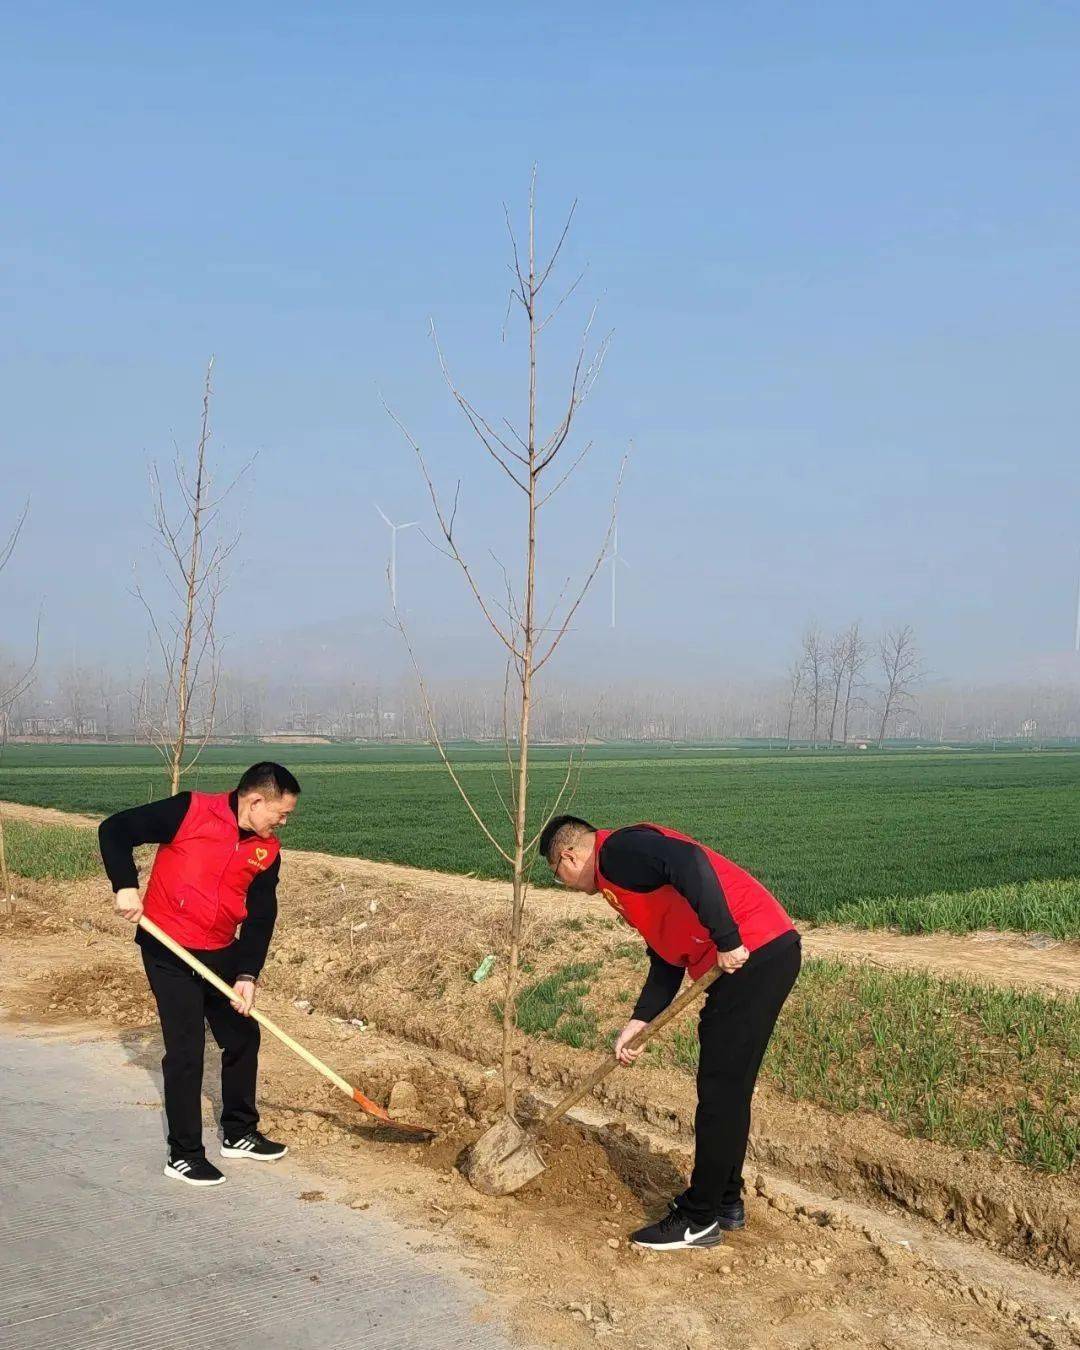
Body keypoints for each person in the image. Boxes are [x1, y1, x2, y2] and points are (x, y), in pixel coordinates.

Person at [538, 815, 800, 1251]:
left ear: (568, 855)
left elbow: (691, 861)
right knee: (728, 1091)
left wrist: (727, 936)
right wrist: (640, 1020)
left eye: (557, 874)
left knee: (719, 1092)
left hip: (752, 952)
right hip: (763, 954)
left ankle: (698, 1219)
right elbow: (665, 957)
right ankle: (726, 1201)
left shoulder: (618, 851)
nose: (563, 883)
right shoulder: (620, 883)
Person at [98, 762, 300, 1187]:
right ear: (255, 800)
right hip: (168, 949)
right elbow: (115, 830)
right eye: (280, 813)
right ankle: (185, 1154)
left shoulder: (268, 850)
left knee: (243, 1036)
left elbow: (262, 914)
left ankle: (240, 1132)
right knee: (187, 1051)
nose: (283, 821)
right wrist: (125, 885)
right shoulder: (190, 811)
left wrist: (248, 973)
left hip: (221, 952)